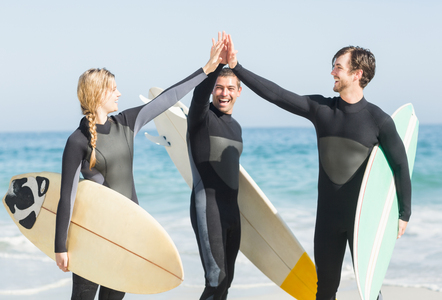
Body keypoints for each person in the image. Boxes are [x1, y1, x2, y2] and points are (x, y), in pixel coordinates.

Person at [226, 35, 411, 300]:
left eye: (338, 66)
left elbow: (401, 166)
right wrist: (237, 67)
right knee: (324, 291)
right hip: (327, 220)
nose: (332, 71)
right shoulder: (322, 110)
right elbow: (278, 95)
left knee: (370, 290)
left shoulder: (378, 121)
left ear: (357, 74)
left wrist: (404, 213)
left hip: (363, 220)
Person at [54, 40, 225, 300]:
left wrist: (207, 69)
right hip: (93, 235)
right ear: (98, 94)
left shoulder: (126, 123)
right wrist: (60, 246)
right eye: (113, 89)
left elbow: (168, 97)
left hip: (127, 233)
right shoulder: (77, 141)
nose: (119, 94)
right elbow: (67, 196)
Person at [187, 32, 243, 300]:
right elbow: (198, 96)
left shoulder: (237, 127)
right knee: (215, 280)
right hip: (207, 207)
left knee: (226, 282)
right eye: (219, 87)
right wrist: (213, 65)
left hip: (232, 211)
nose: (224, 94)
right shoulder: (201, 118)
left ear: (239, 92)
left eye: (230, 88)